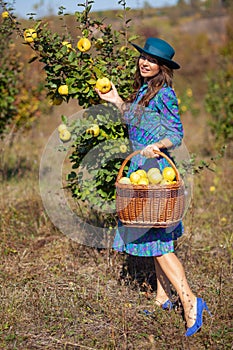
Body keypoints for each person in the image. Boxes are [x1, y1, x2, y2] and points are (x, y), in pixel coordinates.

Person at [95, 37, 211, 337]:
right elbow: (134, 119)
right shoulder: (145, 91)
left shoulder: (165, 94)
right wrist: (117, 101)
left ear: (162, 67)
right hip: (140, 173)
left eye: (152, 60)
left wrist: (156, 146)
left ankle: (190, 301)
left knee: (158, 242)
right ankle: (163, 299)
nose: (145, 62)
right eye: (143, 57)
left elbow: (176, 133)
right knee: (157, 237)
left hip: (155, 173)